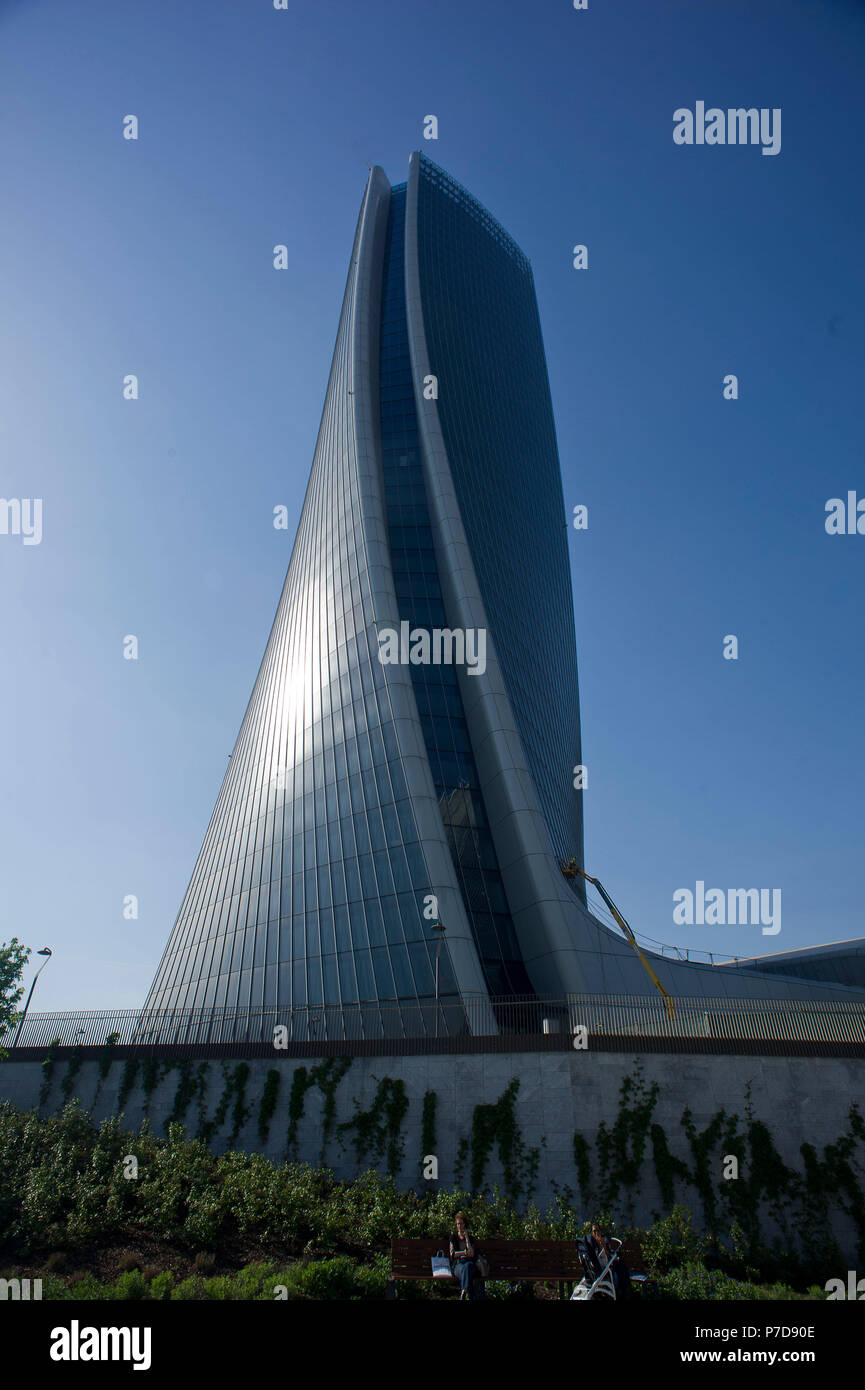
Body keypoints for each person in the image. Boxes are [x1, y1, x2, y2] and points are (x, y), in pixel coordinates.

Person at [588, 1222, 631, 1298]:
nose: (596, 1233)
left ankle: (623, 1291)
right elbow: (598, 1260)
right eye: (594, 1231)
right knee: (619, 1269)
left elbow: (607, 1258)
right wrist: (600, 1246)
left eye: (598, 1231)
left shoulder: (604, 1242)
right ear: (592, 1233)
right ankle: (623, 1291)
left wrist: (603, 1245)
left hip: (608, 1268)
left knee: (620, 1265)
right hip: (600, 1272)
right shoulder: (592, 1244)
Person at [449, 1211, 484, 1300]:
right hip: (458, 1265)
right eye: (457, 1224)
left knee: (468, 1266)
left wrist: (467, 1238)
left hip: (469, 1264)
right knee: (465, 1269)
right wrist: (464, 1253)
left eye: (461, 1224)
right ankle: (468, 1292)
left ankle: (464, 1291)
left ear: (464, 1224)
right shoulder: (453, 1237)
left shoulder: (470, 1238)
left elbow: (472, 1254)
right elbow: (452, 1254)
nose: (459, 1226)